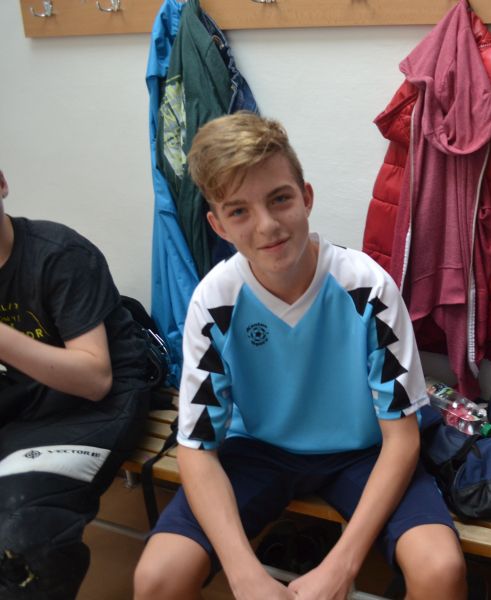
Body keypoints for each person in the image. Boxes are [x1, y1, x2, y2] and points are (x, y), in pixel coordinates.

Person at [132, 112, 468, 600]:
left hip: (364, 452)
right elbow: (197, 447)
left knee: (441, 571)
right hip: (258, 451)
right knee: (157, 578)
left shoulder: (367, 287)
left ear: (306, 197)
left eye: (280, 199)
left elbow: (401, 439)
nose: (267, 226)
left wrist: (340, 567)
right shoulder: (215, 300)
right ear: (218, 224)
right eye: (239, 211)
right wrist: (244, 574)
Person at [0, 168, 153, 598]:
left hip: (99, 403)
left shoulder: (58, 254)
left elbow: (95, 379)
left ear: (2, 183)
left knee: (23, 534)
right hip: (25, 396)